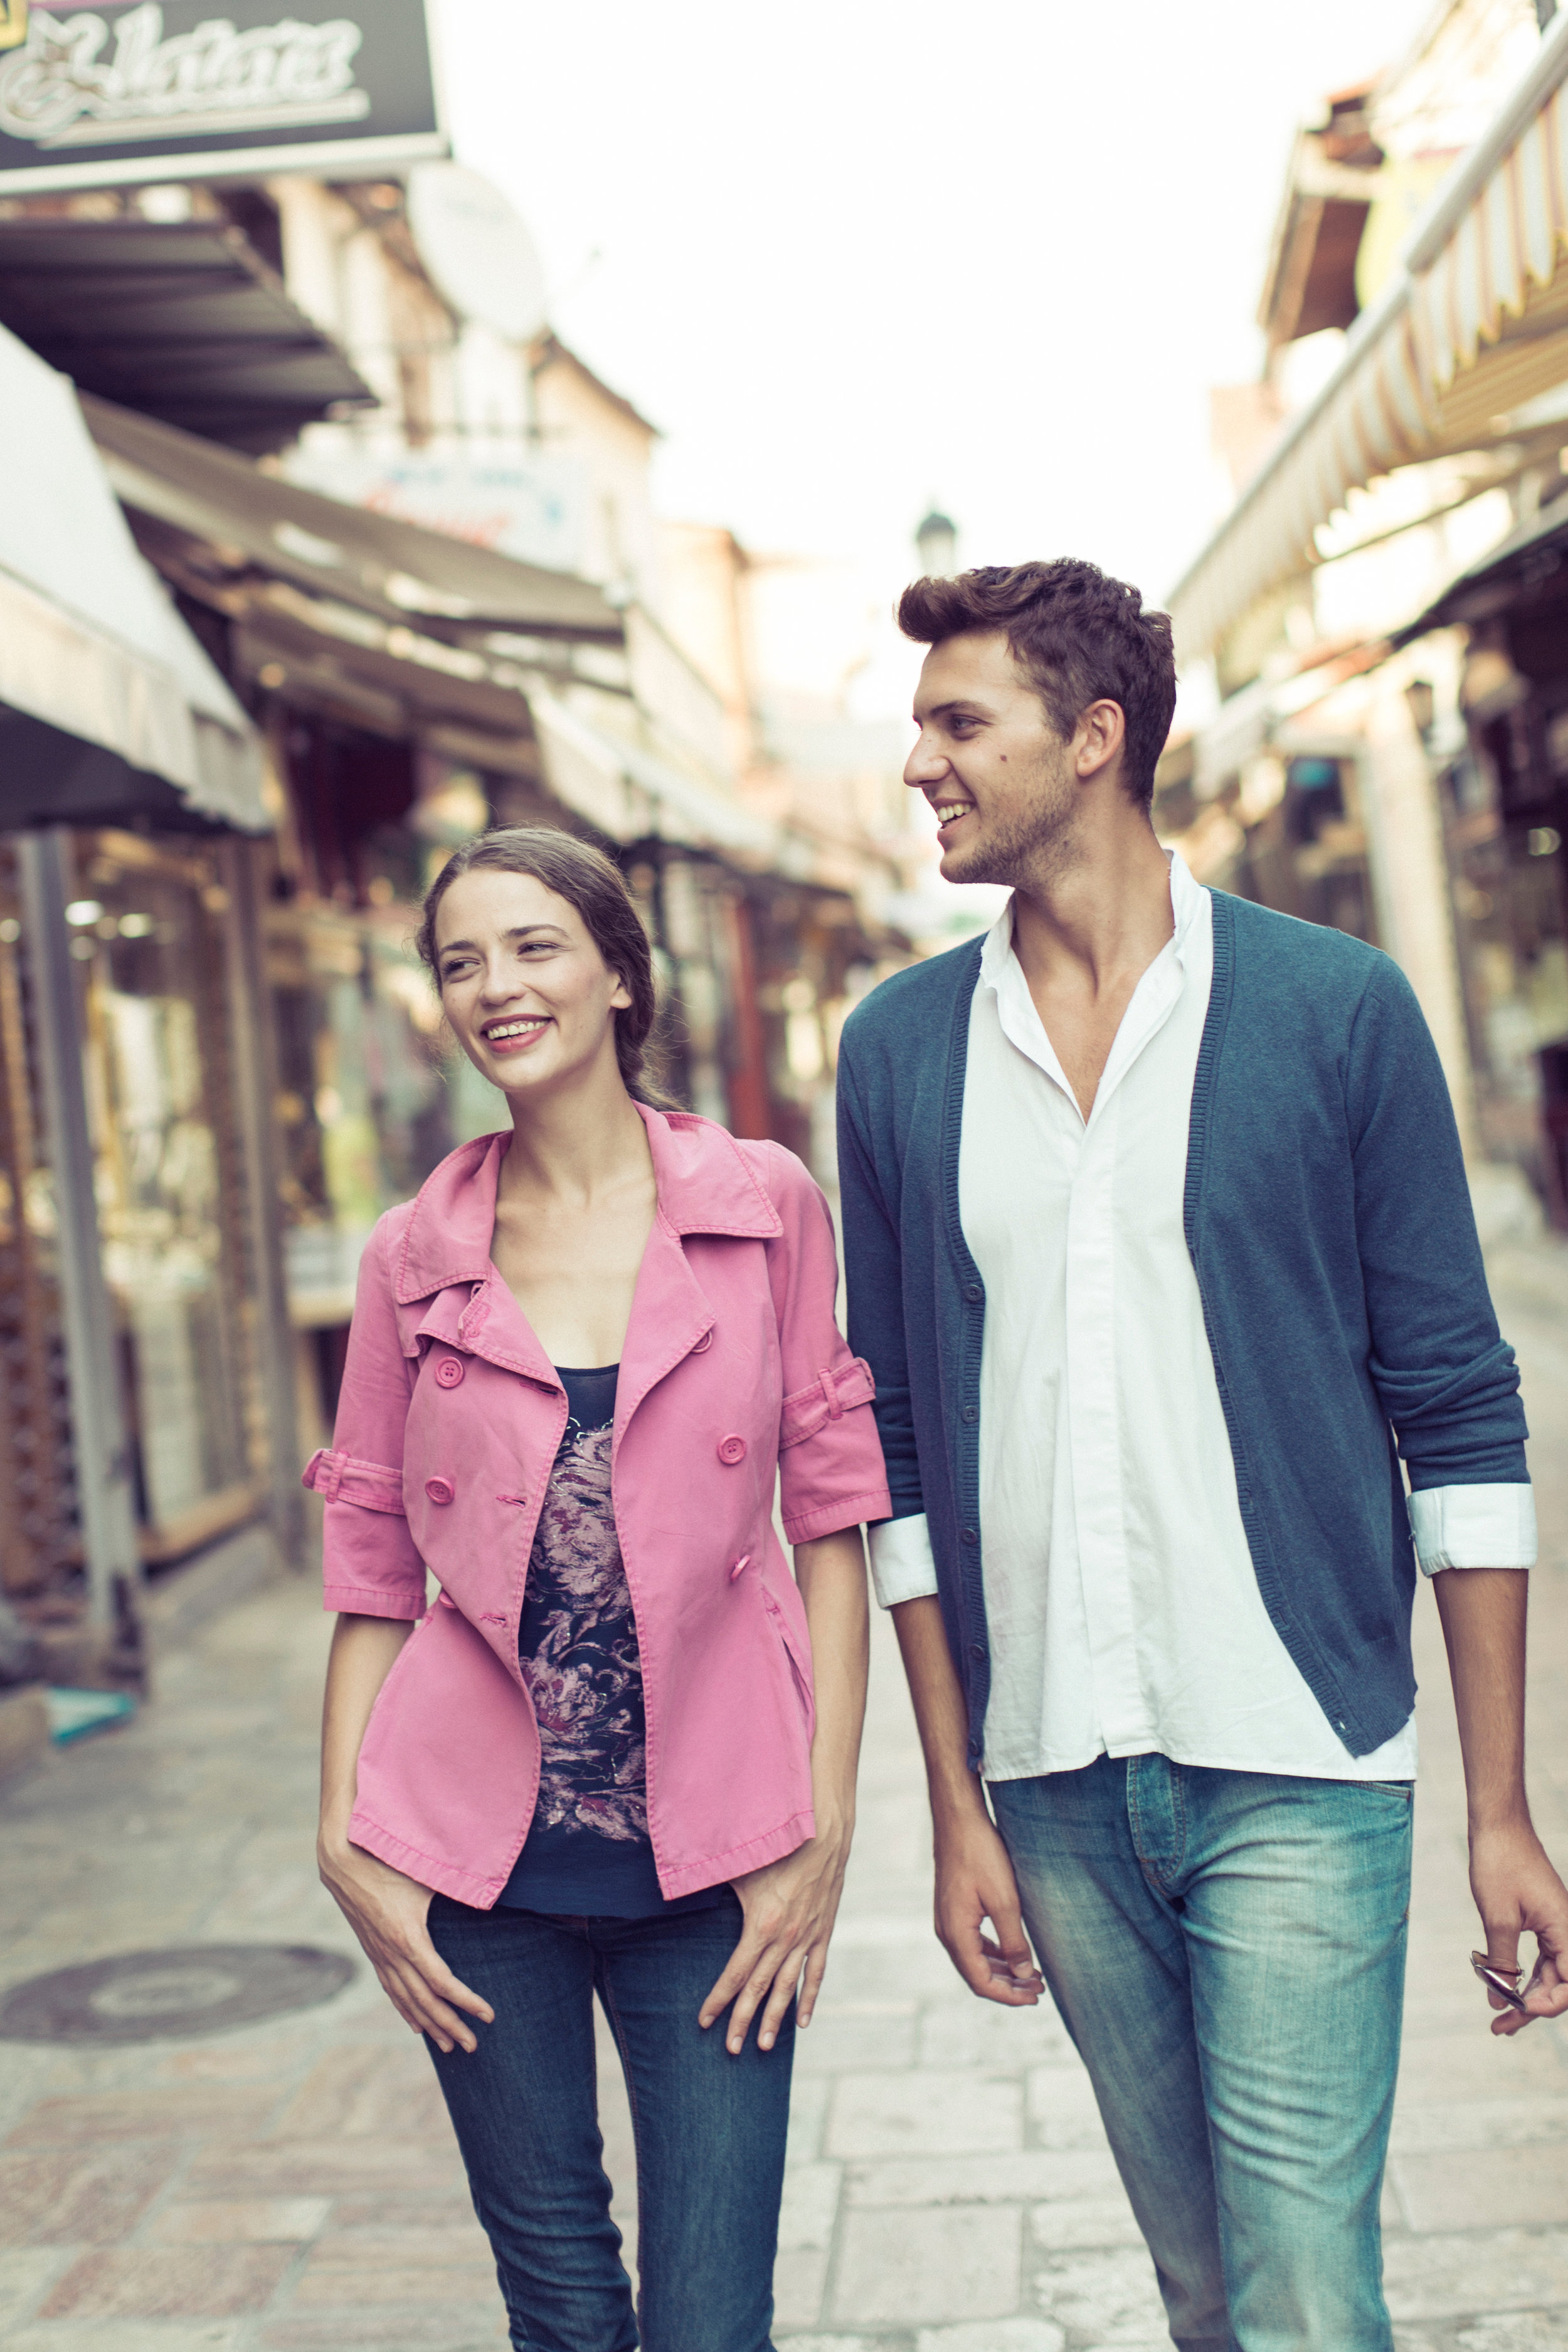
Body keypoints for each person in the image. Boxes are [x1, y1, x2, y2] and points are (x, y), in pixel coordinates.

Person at [835, 559, 1568, 2351]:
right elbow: (897, 1458)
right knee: (1201, 2295)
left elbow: (1460, 1412)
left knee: (1308, 2291)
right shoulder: (897, 1050)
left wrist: (1493, 1805)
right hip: (1058, 1781)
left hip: (1299, 1750)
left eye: (956, 721)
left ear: (1093, 739)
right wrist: (952, 1804)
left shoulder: (1334, 1010)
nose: (915, 761)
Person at [309, 827, 888, 2352]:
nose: (494, 985)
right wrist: (340, 1834)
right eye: (458, 960)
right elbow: (371, 1561)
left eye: (533, 945)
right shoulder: (410, 1258)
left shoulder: (761, 1203)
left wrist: (821, 1827)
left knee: (709, 2321)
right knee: (560, 2310)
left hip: (716, 1861)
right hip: (474, 1876)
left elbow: (830, 1523)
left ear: (621, 975)